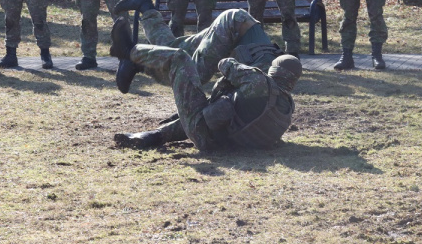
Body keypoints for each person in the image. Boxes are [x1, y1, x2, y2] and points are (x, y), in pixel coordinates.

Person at [109, 19, 302, 151]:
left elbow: (224, 64)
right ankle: (154, 136)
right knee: (214, 110)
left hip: (204, 133)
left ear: (273, 70)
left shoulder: (259, 82)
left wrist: (245, 63)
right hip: (221, 142)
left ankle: (130, 52)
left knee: (180, 58)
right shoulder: (286, 110)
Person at [111, 0, 284, 93]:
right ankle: (135, 59)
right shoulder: (261, 88)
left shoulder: (267, 90)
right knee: (194, 73)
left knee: (174, 48)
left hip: (236, 26)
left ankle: (144, 5)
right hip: (234, 27)